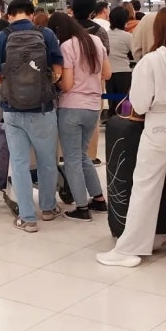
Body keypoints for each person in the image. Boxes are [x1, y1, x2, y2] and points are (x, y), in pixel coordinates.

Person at [97, 7, 166, 269]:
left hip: (160, 125)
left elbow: (140, 103)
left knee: (145, 187)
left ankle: (131, 248)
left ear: (159, 30)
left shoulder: (151, 61)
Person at [0, 0, 63, 232]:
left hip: (12, 110)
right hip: (43, 109)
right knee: (47, 161)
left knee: (19, 163)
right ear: (31, 14)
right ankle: (48, 208)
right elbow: (58, 72)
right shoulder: (46, 34)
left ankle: (28, 218)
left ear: (9, 15)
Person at [47, 12, 111, 220]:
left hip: (71, 108)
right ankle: (99, 199)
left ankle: (82, 207)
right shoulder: (95, 41)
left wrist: (54, 82)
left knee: (72, 159)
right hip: (93, 107)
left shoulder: (67, 46)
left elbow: (67, 84)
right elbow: (107, 74)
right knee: (83, 156)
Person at [72, 0, 110, 164]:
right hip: (95, 78)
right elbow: (106, 54)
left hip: (70, 78)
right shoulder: (99, 31)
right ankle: (91, 156)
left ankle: (66, 154)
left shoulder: (66, 29)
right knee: (93, 121)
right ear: (92, 11)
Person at [107, 6, 134, 116]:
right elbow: (135, 53)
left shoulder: (105, 34)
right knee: (122, 100)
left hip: (108, 73)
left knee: (111, 99)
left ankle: (110, 119)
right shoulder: (128, 36)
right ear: (124, 20)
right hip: (123, 73)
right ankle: (121, 120)